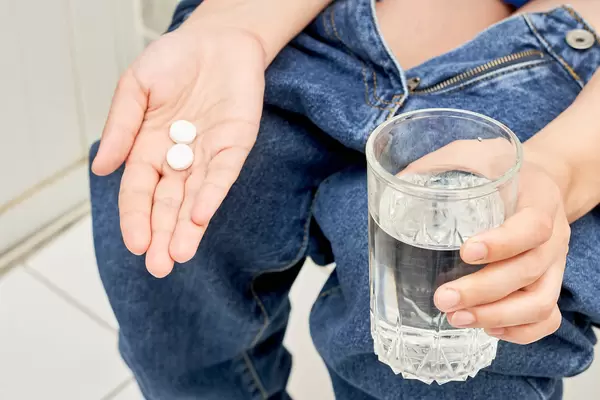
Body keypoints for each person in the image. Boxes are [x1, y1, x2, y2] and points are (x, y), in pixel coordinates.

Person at [89, 0, 600, 398]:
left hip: (562, 80)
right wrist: (235, 23)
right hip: (332, 30)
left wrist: (559, 168)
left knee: (455, 298)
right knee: (173, 220)